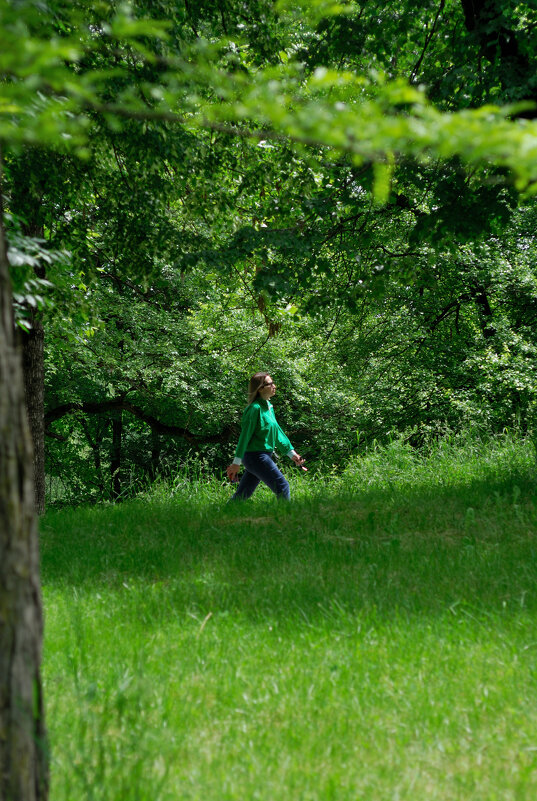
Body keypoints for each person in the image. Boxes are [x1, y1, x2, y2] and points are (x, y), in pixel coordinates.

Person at [226, 372, 306, 501]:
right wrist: (236, 463)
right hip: (256, 457)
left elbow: (277, 432)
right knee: (282, 486)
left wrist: (292, 454)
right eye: (270, 384)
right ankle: (287, 519)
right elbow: (244, 437)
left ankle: (222, 516)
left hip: (261, 456)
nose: (274, 386)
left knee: (243, 494)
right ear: (260, 388)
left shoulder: (268, 407)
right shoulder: (254, 409)